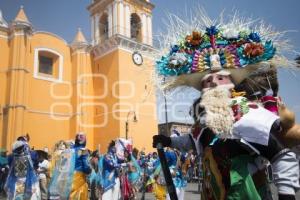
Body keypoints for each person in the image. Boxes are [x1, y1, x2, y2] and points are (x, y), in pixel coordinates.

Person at [153, 10, 300, 200]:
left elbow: (282, 155)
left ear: (231, 84)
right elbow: (194, 140)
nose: (213, 82)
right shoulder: (205, 119)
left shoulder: (247, 113)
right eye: (207, 80)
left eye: (220, 78)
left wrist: (286, 194)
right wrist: (169, 142)